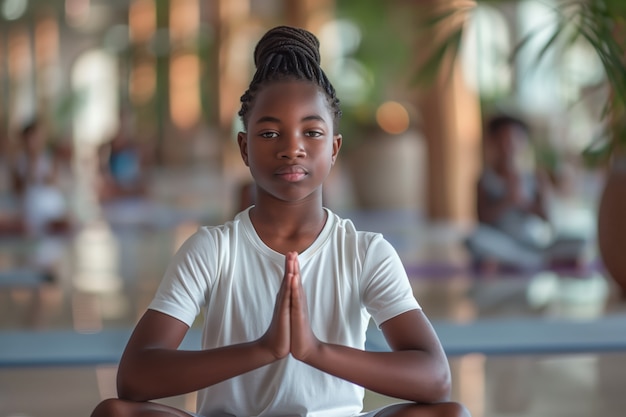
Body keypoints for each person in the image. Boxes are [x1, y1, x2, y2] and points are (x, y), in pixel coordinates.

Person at [91, 26, 469, 417]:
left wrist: (314, 351)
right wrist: (263, 349)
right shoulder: (213, 250)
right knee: (115, 413)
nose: (292, 148)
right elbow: (134, 376)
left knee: (449, 415)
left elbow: (436, 379)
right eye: (270, 132)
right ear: (245, 148)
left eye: (312, 132)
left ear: (334, 148)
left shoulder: (364, 252)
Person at [464, 114, 585, 274]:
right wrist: (508, 200)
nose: (508, 146)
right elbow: (481, 220)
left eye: (513, 140)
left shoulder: (535, 177)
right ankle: (534, 260)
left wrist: (525, 203)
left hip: (532, 243)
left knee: (580, 239)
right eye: (503, 140)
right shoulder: (485, 179)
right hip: (502, 242)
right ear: (493, 142)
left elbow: (548, 219)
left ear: (523, 142)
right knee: (474, 239)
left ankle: (522, 260)